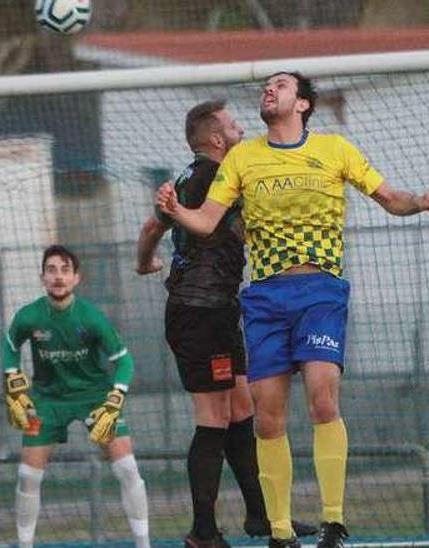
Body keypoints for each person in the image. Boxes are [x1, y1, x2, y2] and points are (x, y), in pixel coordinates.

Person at [157, 71, 429, 548]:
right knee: (267, 417)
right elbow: (206, 220)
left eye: (281, 85)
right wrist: (174, 209)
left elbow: (390, 198)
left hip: (320, 291)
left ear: (303, 103)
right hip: (265, 298)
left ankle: (334, 521)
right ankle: (281, 531)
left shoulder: (335, 149)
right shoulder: (243, 158)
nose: (270, 90)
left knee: (323, 397)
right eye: (267, 86)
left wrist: (419, 202)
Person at [136, 99, 316, 547]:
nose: (242, 129)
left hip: (215, 311)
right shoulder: (217, 178)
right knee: (214, 417)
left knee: (242, 409)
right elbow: (235, 227)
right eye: (235, 126)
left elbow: (149, 230)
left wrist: (144, 265)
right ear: (216, 139)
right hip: (200, 313)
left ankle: (261, 516)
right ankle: (202, 533)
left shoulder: (187, 178)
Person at [2, 245, 151, 548]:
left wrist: (115, 398)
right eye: (52, 270)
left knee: (127, 470)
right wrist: (12, 381)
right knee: (27, 475)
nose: (58, 277)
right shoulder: (28, 317)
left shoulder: (92, 317)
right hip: (47, 401)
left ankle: (143, 544)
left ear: (76, 278)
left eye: (65, 270)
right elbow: (9, 346)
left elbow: (124, 361)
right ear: (42, 277)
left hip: (95, 398)